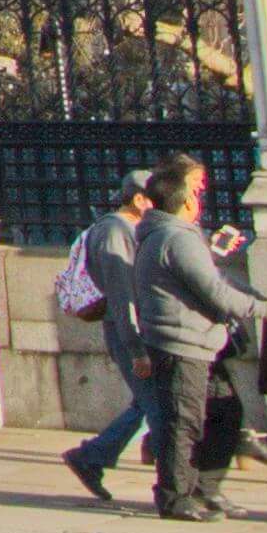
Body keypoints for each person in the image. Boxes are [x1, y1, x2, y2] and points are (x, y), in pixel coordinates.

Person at [129, 152, 267, 519]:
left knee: (226, 415)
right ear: (185, 199)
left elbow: (218, 280)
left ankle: (206, 488)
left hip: (202, 344)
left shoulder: (178, 235)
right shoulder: (174, 238)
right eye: (198, 189)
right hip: (183, 345)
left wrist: (259, 297)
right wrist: (264, 310)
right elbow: (214, 292)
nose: (202, 195)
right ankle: (175, 497)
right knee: (184, 423)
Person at [57, 172, 161, 505]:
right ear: (139, 199)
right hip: (126, 330)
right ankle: (93, 457)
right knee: (154, 403)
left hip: (134, 328)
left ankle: (97, 456)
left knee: (149, 401)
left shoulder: (130, 230)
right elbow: (121, 295)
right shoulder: (115, 231)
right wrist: (136, 347)